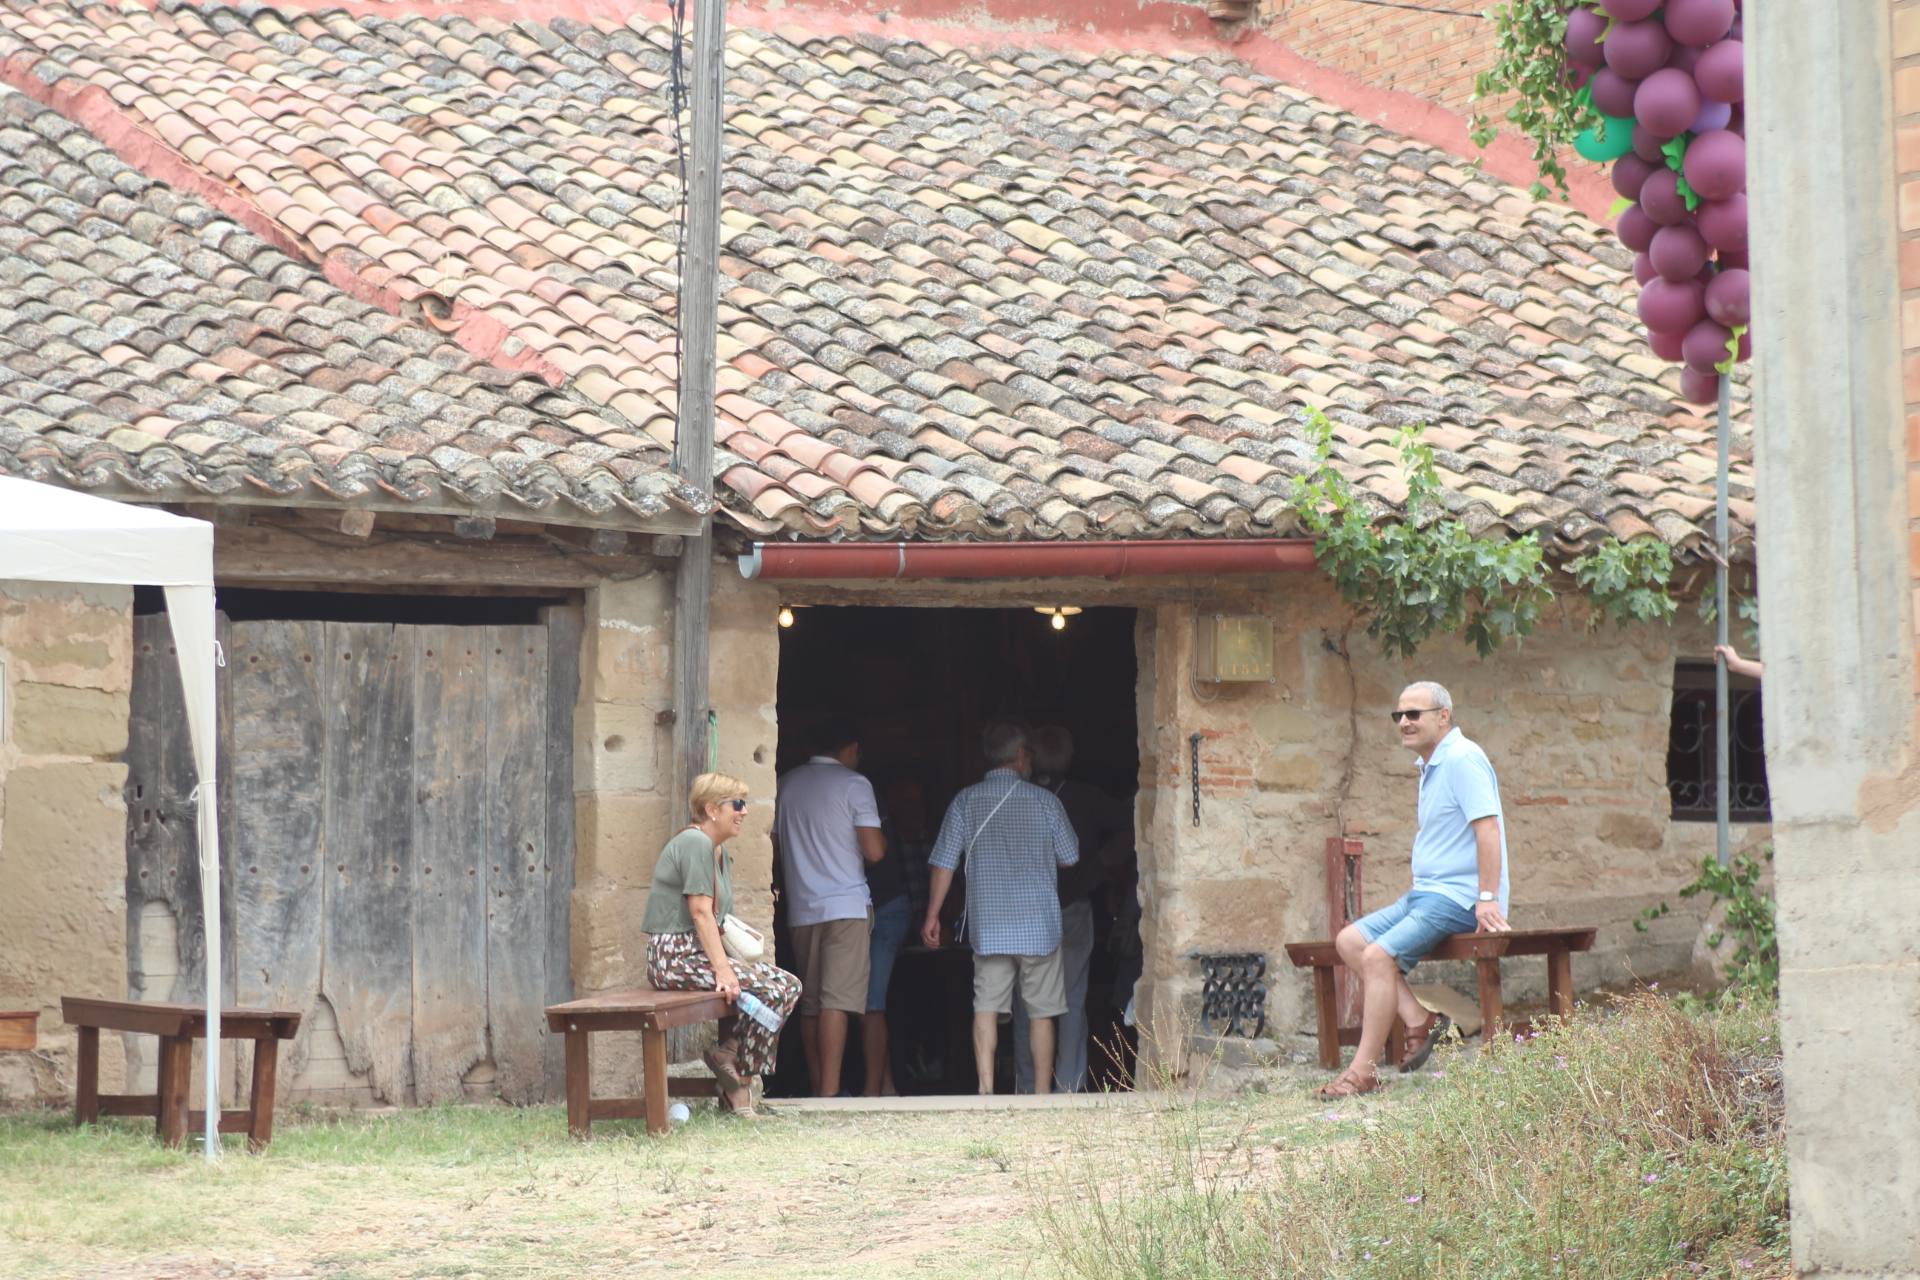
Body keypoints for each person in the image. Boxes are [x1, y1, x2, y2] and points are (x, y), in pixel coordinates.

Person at [1321, 681, 1510, 1100]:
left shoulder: (1463, 759)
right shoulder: (1432, 764)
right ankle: (1419, 1018)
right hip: (1426, 893)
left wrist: (1487, 898)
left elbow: (1488, 830)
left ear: (1443, 716)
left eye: (1414, 714)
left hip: (1458, 898)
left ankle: (1363, 1071)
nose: (1404, 722)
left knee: (1378, 956)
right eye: (1399, 716)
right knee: (1351, 940)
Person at [922, 723, 1079, 1095]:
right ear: (1022, 756)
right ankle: (1041, 1094)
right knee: (1042, 1013)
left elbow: (943, 862)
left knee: (986, 1007)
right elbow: (1070, 856)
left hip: (990, 927)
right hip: (1038, 927)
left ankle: (986, 1090)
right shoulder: (1046, 802)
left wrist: (932, 914)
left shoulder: (965, 801)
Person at [643, 772, 802, 1117]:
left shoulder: (719, 853)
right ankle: (738, 1088)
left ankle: (732, 1057)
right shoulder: (695, 843)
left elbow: (717, 919)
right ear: (712, 809)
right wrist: (724, 970)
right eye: (738, 804)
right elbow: (700, 913)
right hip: (675, 957)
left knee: (787, 985)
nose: (744, 812)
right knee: (771, 991)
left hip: (697, 955)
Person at [1012, 726, 1131, 1093]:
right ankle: (1069, 1085)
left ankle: (1030, 1084)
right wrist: (1101, 866)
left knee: (1025, 1001)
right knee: (1072, 997)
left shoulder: (1015, 798)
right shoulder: (1085, 796)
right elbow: (1133, 822)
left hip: (1024, 911)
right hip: (1073, 905)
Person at [775, 720, 884, 1097]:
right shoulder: (855, 785)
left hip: (802, 907)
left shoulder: (786, 784)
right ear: (850, 748)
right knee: (837, 1002)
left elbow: (773, 846)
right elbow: (874, 850)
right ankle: (830, 1097)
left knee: (810, 1005)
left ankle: (818, 1086)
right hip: (846, 905)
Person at [861, 779, 929, 1097]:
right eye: (904, 800)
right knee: (874, 1003)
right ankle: (883, 1085)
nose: (910, 808)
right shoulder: (892, 838)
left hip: (903, 927)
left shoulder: (921, 838)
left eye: (915, 801)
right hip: (886, 921)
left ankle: (881, 1087)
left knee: (875, 1003)